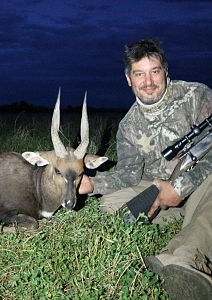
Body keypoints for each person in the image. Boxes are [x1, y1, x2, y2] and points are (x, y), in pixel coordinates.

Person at [79, 39, 212, 300]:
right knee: (110, 205)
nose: (148, 82)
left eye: (155, 71)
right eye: (139, 74)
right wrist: (93, 184)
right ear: (129, 79)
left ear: (165, 70)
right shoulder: (128, 125)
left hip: (200, 184)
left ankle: (187, 258)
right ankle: (181, 234)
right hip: (161, 192)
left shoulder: (197, 96)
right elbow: (129, 174)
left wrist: (181, 187)